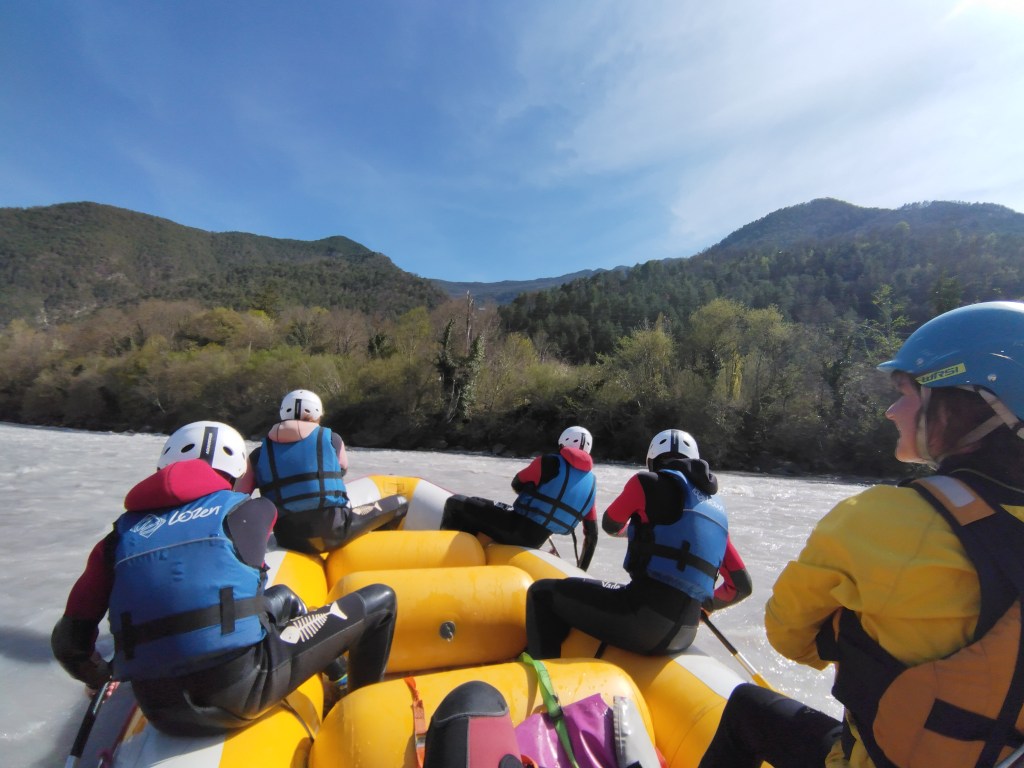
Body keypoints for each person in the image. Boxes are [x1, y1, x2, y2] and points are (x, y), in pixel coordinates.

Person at [698, 300, 1024, 768]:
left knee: (747, 708)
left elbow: (788, 637)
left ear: (973, 403)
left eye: (907, 392)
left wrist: (851, 632)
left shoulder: (880, 519)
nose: (892, 411)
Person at [51, 420, 397, 737]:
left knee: (284, 598)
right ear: (238, 471)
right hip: (242, 691)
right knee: (381, 601)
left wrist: (101, 676)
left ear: (161, 467)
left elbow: (68, 644)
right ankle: (358, 715)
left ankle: (338, 676)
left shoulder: (116, 539)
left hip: (158, 710)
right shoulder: (253, 511)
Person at [525, 428, 751, 659]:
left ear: (652, 460)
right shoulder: (717, 512)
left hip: (642, 621)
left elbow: (611, 523)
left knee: (541, 593)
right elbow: (741, 587)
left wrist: (635, 530)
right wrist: (705, 606)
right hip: (686, 633)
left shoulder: (646, 482)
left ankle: (543, 671)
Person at [238, 389, 405, 553]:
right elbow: (341, 470)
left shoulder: (258, 455)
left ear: (283, 413)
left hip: (286, 537)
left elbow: (239, 495)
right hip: (334, 530)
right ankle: (378, 552)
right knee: (401, 502)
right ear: (317, 413)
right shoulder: (332, 439)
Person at [441, 426, 600, 570]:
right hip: (537, 541)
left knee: (455, 502)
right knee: (477, 502)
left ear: (562, 444)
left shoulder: (548, 462)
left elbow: (517, 484)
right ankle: (473, 554)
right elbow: (592, 536)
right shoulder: (591, 485)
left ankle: (444, 561)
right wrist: (581, 571)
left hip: (514, 528)